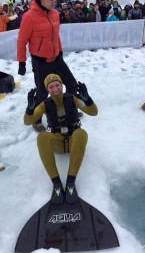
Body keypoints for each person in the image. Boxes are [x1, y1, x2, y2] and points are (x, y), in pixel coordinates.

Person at [24, 74, 98, 204]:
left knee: (81, 133)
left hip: (74, 141)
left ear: (61, 85)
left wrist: (88, 100)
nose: (55, 89)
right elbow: (27, 121)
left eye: (57, 85)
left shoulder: (73, 98)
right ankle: (56, 184)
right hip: (57, 143)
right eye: (51, 87)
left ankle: (70, 183)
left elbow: (93, 112)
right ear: (47, 90)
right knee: (42, 137)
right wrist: (29, 110)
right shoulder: (44, 105)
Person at [17, 0, 79, 132]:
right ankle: (36, 119)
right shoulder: (29, 17)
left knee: (71, 84)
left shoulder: (54, 13)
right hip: (40, 61)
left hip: (56, 57)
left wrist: (60, 51)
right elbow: (21, 41)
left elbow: (55, 35)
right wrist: (22, 62)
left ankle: (68, 111)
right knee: (42, 93)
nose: (54, 2)